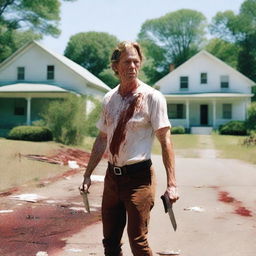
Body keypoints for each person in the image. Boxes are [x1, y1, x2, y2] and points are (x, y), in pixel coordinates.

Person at [80, 41, 179, 256]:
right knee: (110, 243)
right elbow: (101, 139)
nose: (132, 66)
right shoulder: (109, 98)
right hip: (112, 179)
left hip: (139, 179)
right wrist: (87, 175)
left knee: (138, 242)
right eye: (127, 62)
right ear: (116, 66)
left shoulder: (152, 97)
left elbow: (165, 141)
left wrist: (172, 184)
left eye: (136, 61)